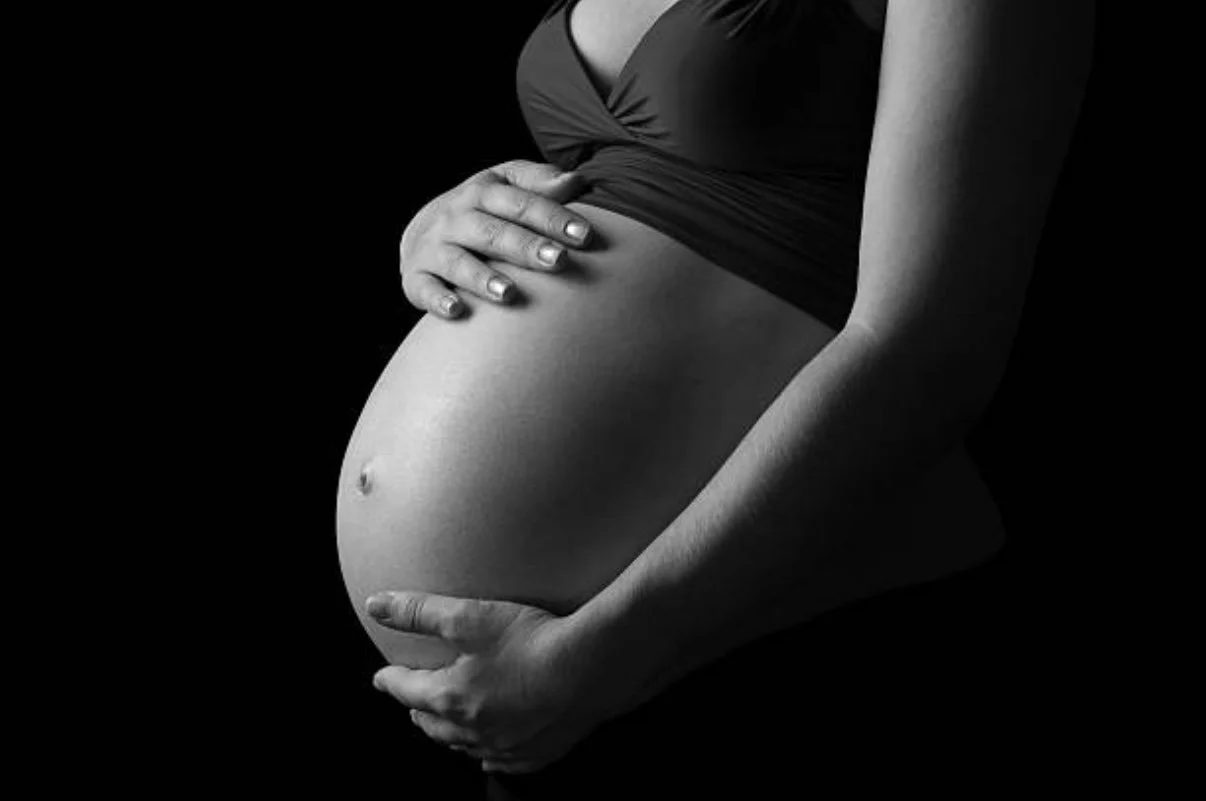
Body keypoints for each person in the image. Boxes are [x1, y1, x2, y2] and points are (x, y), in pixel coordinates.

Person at [338, 1, 1095, 797]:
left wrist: (607, 652)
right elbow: (646, 187)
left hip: (735, 620)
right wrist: (442, 223)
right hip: (565, 679)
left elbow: (928, 343)